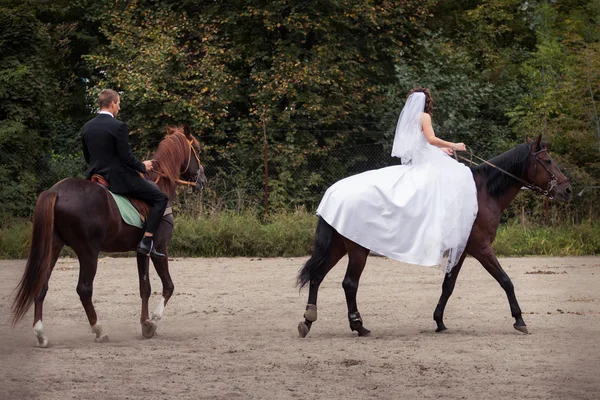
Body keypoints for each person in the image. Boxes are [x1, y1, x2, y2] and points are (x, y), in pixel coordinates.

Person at [316, 87, 478, 272]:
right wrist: (453, 145)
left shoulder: (409, 119)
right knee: (451, 181)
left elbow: (418, 145)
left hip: (420, 160)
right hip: (424, 164)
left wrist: (441, 151)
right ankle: (436, 236)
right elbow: (431, 139)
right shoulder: (424, 116)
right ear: (427, 102)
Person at [82, 89, 168, 257]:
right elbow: (126, 157)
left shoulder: (87, 127)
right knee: (160, 198)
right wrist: (143, 167)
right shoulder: (118, 126)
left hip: (95, 177)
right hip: (118, 179)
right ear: (113, 103)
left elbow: (88, 157)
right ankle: (147, 241)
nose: (119, 108)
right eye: (119, 103)